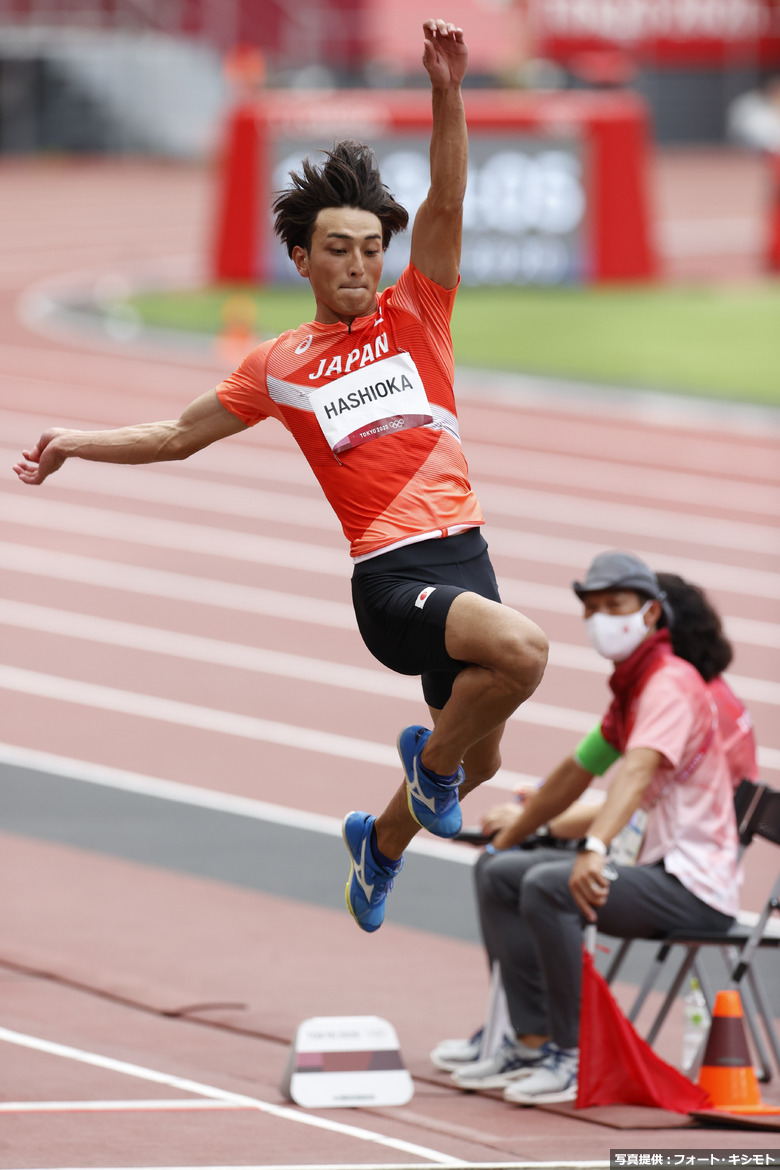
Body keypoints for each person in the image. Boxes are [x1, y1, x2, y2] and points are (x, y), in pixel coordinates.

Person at [12, 19, 548, 935]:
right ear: (301, 259)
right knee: (525, 654)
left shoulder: (420, 313)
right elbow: (177, 435)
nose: (359, 264)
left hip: (468, 559)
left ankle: (378, 842)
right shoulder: (280, 363)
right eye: (338, 249)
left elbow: (448, 205)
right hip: (393, 576)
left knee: (485, 762)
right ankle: (431, 770)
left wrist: (449, 92)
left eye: (372, 248)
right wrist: (74, 442)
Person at [434, 550, 740, 1105]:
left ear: (650, 613)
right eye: (592, 607)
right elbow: (577, 773)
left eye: (615, 605)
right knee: (501, 871)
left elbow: (639, 767)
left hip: (695, 886)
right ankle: (529, 1043)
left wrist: (595, 848)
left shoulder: (669, 683)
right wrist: (511, 833)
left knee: (549, 885)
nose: (602, 618)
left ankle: (573, 1055)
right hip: (656, 872)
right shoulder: (635, 683)